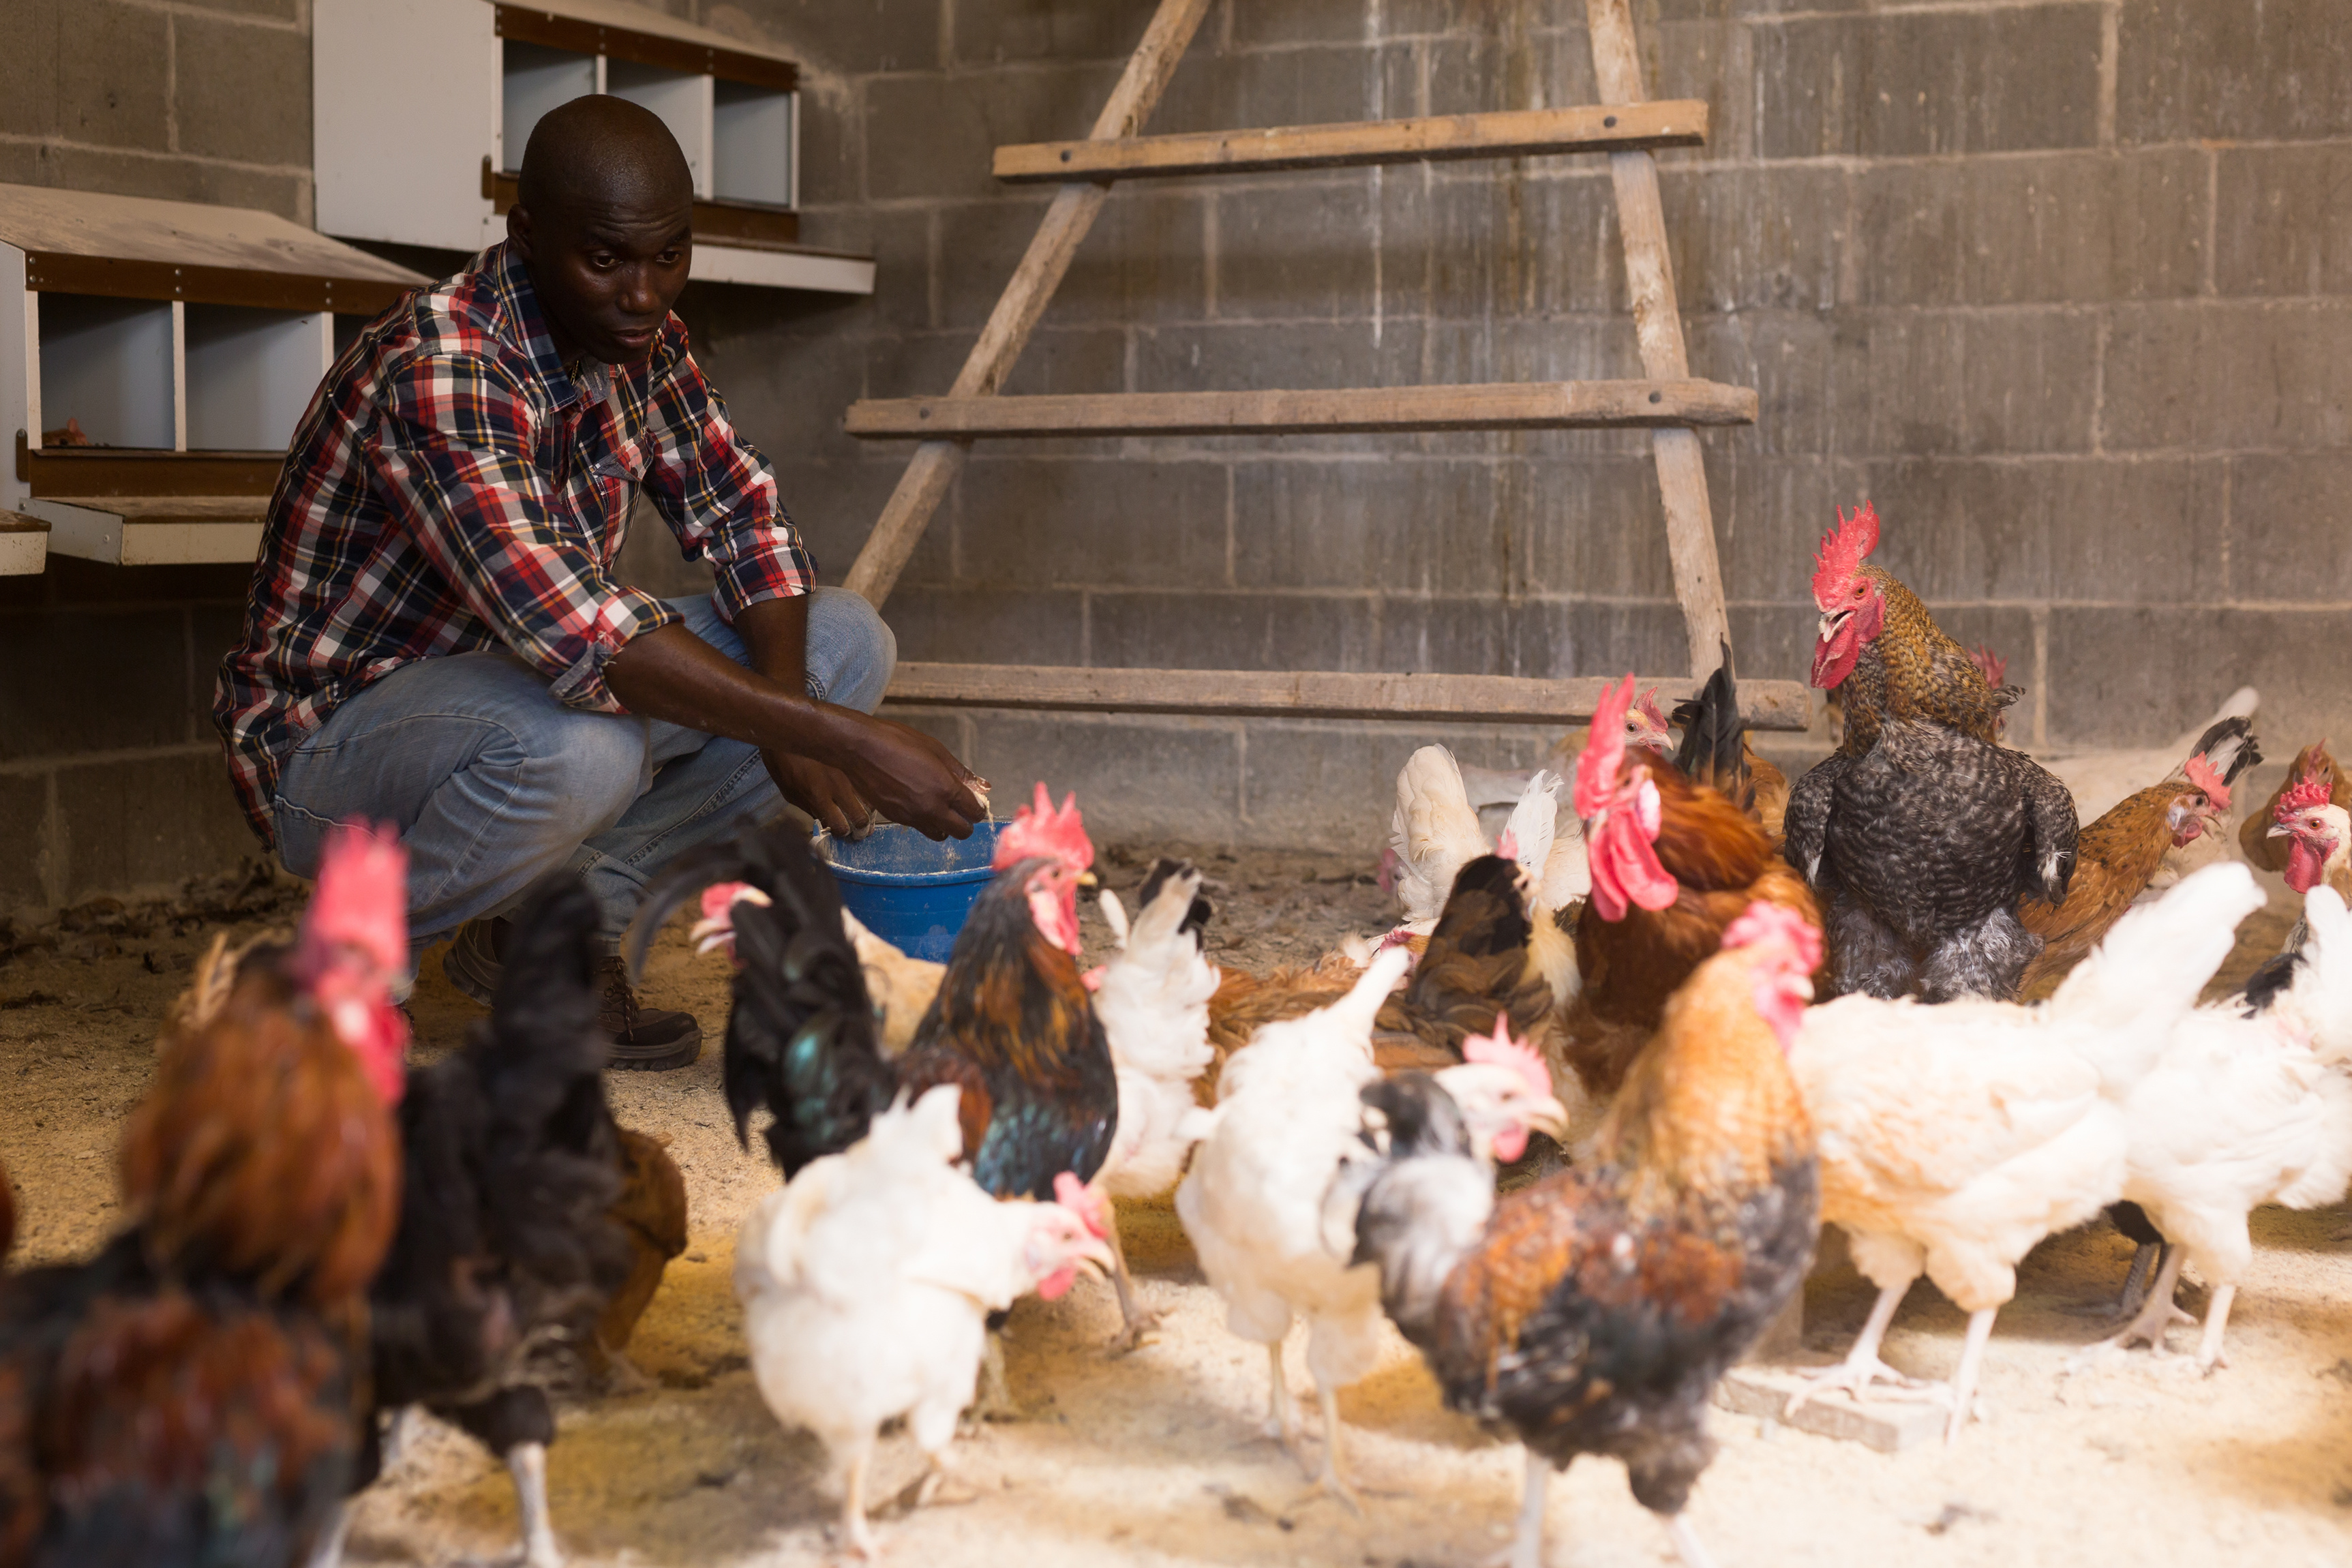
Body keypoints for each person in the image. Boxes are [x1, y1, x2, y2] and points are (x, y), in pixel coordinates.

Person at [213, 95, 984, 1069]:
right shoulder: (444, 365)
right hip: (333, 752)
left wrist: (797, 705)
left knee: (839, 645)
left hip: (513, 702)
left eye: (670, 255)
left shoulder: (641, 343)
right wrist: (837, 737)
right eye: (609, 258)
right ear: (528, 235)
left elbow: (744, 520)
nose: (645, 293)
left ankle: (548, 938)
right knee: (587, 747)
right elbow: (587, 634)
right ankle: (343, 981)